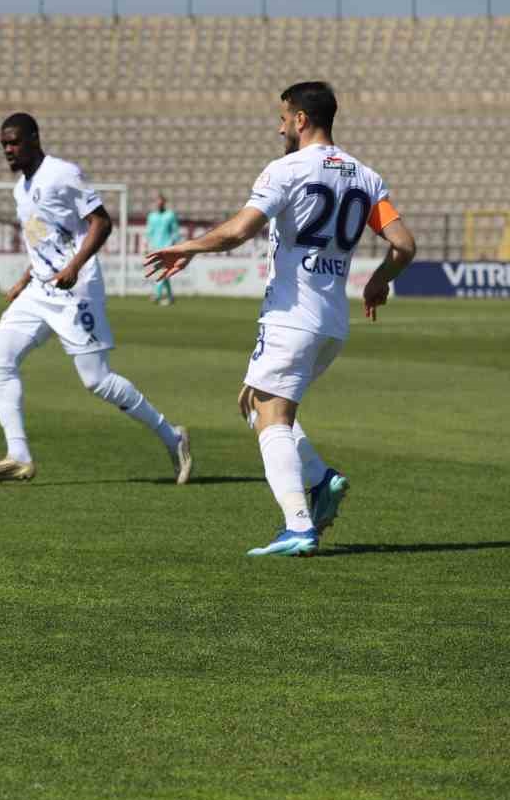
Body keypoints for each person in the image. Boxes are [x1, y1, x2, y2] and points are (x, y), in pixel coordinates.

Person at [145, 82, 415, 556]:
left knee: (271, 417)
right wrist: (379, 281)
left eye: (283, 117)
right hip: (332, 323)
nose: (279, 126)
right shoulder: (366, 177)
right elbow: (404, 244)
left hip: (292, 317)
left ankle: (298, 526)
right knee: (252, 401)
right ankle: (320, 479)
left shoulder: (286, 170)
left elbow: (239, 231)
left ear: (301, 120)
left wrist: (187, 247)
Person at [0, 113, 192, 484]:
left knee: (97, 381)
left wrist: (75, 265)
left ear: (33, 139)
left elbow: (102, 222)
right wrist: (23, 280)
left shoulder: (62, 174)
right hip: (40, 290)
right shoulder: (20, 190)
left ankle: (173, 438)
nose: (8, 151)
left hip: (75, 291)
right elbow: (42, 241)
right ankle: (19, 455)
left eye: (14, 142)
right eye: (4, 145)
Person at [144, 193, 179, 305]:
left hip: (167, 248)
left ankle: (157, 295)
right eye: (157, 201)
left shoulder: (170, 215)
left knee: (163, 271)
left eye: (161, 201)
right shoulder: (152, 216)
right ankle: (170, 296)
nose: (159, 203)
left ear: (164, 202)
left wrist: (172, 244)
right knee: (164, 271)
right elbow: (149, 232)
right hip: (155, 248)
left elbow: (175, 231)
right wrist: (146, 245)